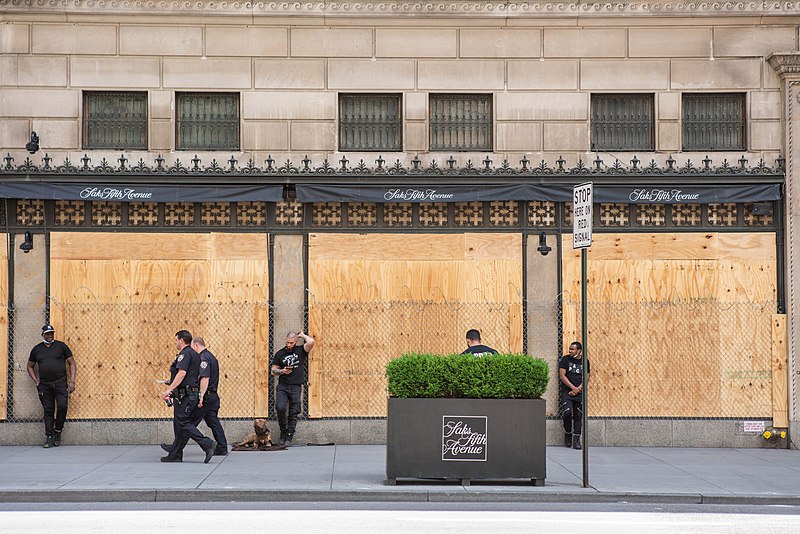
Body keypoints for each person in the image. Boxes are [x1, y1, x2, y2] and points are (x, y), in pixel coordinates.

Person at [161, 336, 229, 456]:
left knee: (186, 422)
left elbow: (205, 378)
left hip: (206, 396)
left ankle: (179, 448)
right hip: (212, 396)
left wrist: (201, 396)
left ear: (196, 345)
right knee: (212, 421)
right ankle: (222, 446)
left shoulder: (203, 358)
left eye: (192, 347)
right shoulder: (211, 356)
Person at [27, 324, 76, 448]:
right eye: (47, 334)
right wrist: (36, 381)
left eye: (51, 333)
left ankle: (58, 431)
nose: (49, 336)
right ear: (42, 334)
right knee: (48, 410)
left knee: (62, 406)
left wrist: (71, 381)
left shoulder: (61, 346)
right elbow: (30, 366)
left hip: (60, 383)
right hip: (44, 385)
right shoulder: (37, 349)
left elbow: (72, 363)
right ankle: (49, 436)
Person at [271, 330, 314, 446]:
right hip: (283, 386)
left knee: (294, 411)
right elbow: (273, 371)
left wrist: (302, 336)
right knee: (280, 408)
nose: (289, 345)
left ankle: (289, 436)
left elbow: (311, 342)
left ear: (296, 341)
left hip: (295, 386)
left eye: (291, 343)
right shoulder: (280, 354)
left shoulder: (301, 350)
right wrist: (282, 371)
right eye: (288, 342)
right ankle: (283, 432)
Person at [559, 341, 589, 450]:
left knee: (578, 416)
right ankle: (568, 433)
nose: (570, 351)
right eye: (570, 349)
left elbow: (586, 377)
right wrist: (573, 388)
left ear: (579, 350)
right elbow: (562, 376)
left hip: (579, 393)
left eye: (572, 349)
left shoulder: (585, 362)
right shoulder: (565, 359)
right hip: (567, 392)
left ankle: (576, 440)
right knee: (567, 413)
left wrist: (578, 389)